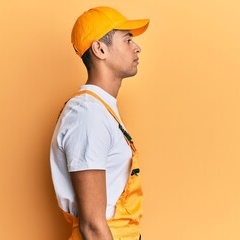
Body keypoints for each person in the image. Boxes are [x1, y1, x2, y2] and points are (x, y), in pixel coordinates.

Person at [50, 6, 149, 240]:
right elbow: (93, 226)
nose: (137, 47)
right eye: (127, 40)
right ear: (100, 49)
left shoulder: (101, 110)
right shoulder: (88, 115)